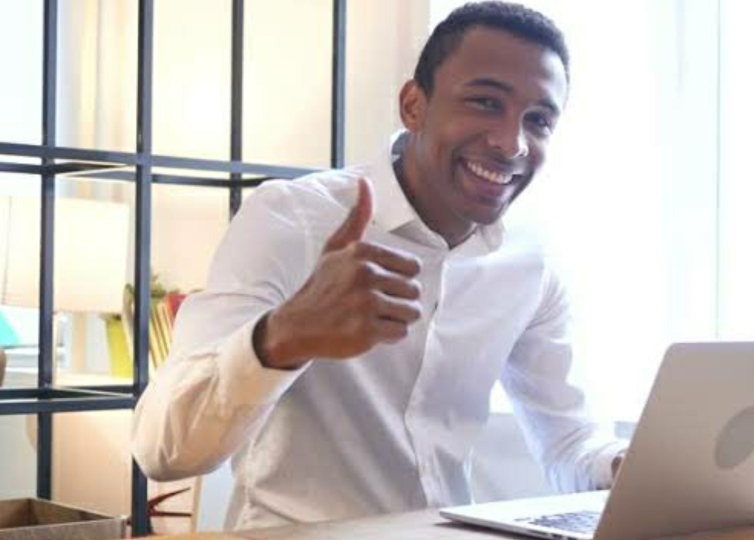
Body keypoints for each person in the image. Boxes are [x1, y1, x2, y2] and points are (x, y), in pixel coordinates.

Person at [132, 1, 626, 531]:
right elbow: (162, 450)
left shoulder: (530, 261)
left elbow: (573, 443)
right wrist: (283, 337)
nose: (512, 143)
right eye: (485, 102)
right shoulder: (292, 220)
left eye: (539, 120)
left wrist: (628, 467)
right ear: (413, 105)